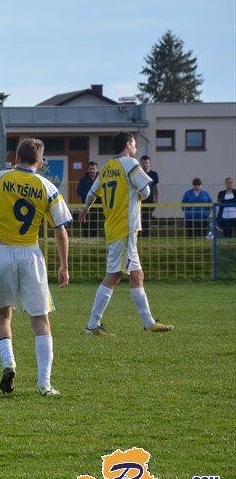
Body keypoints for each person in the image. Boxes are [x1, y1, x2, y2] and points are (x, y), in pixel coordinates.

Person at [0, 138, 72, 396]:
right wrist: (64, 266)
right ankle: (44, 383)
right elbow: (61, 230)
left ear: (15, 158)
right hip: (31, 254)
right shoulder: (47, 186)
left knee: (2, 315)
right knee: (40, 319)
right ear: (40, 162)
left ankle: (9, 363)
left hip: (2, 253)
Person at [78, 132, 173, 334]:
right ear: (128, 144)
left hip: (115, 226)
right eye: (135, 144)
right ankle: (92, 325)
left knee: (137, 275)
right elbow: (146, 191)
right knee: (113, 276)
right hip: (125, 228)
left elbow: (92, 193)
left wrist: (85, 210)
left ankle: (148, 322)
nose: (136, 148)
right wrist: (137, 195)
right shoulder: (130, 163)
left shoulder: (107, 167)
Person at [76, 161, 99, 237]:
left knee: (97, 223)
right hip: (86, 206)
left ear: (97, 169)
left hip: (98, 206)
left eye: (93, 169)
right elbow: (79, 191)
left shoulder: (101, 178)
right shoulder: (83, 179)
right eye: (90, 169)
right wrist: (90, 196)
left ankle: (95, 238)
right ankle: (86, 238)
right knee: (86, 222)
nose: (92, 170)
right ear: (87, 169)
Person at [139, 155, 158, 236]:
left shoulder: (154, 174)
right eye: (143, 163)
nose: (145, 165)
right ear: (140, 164)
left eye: (146, 163)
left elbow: (156, 188)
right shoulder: (138, 174)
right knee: (138, 219)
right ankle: (137, 235)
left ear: (149, 163)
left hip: (150, 201)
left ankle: (145, 236)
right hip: (139, 201)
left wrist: (156, 201)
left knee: (146, 219)